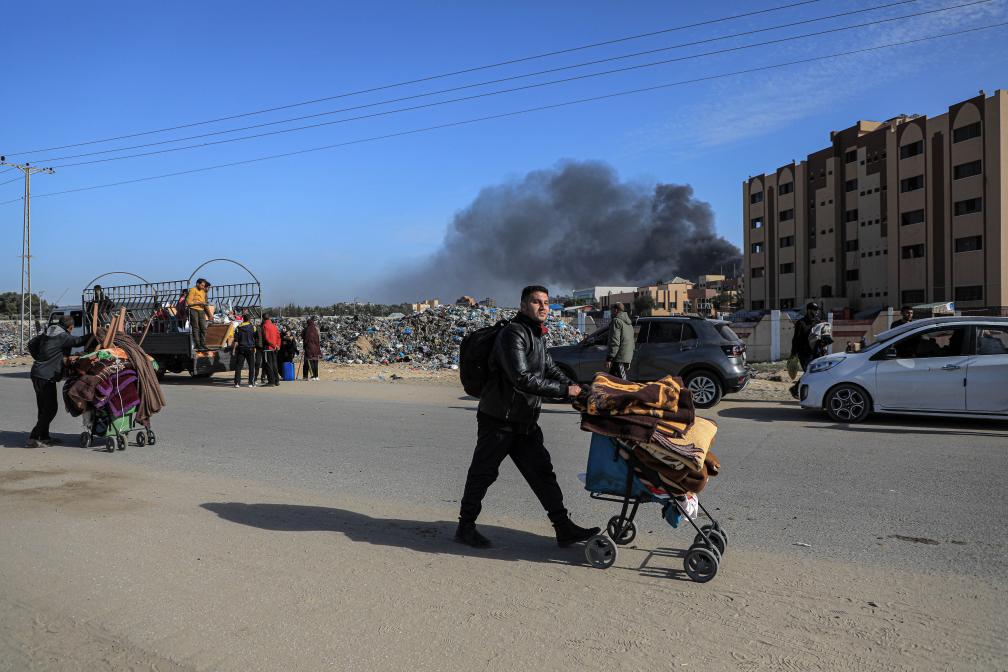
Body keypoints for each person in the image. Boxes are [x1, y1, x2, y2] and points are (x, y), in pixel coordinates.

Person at [455, 285, 601, 549]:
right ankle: (465, 527)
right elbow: (522, 378)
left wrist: (577, 389)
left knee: (543, 473)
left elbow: (550, 368)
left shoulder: (536, 334)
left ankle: (563, 528)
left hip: (523, 421)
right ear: (523, 305)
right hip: (499, 419)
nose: (543, 307)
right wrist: (565, 391)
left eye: (546, 302)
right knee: (483, 474)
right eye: (536, 302)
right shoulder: (513, 334)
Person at [26, 315, 91, 447]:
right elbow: (79, 341)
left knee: (43, 408)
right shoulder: (63, 336)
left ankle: (44, 437)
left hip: (38, 373)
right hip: (45, 376)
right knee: (51, 409)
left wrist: (40, 358)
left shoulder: (48, 332)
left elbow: (31, 343)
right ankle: (34, 436)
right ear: (70, 327)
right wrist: (95, 334)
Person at [789, 302, 826, 398]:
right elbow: (795, 339)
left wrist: (823, 347)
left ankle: (804, 391)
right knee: (809, 372)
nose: (816, 312)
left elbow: (821, 337)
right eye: (815, 310)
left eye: (817, 310)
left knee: (816, 373)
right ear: (809, 310)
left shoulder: (818, 323)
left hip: (816, 352)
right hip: (804, 353)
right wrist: (793, 354)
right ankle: (796, 389)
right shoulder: (801, 323)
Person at [605, 302, 634, 378]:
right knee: (611, 380)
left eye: (611, 310)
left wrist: (609, 358)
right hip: (626, 355)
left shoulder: (616, 321)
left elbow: (614, 341)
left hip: (619, 357)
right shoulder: (628, 323)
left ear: (616, 310)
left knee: (622, 382)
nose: (610, 312)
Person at [231, 315, 258, 388]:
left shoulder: (238, 328)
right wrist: (255, 347)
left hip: (241, 348)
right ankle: (250, 383)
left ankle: (237, 383)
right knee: (251, 366)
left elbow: (236, 341)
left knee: (238, 366)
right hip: (250, 348)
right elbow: (256, 338)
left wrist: (233, 350)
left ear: (243, 320)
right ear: (249, 320)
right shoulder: (253, 327)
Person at [186, 278, 212, 351]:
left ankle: (203, 344)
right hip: (193, 309)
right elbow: (189, 302)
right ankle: (198, 344)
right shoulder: (193, 290)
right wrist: (199, 303)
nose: (203, 287)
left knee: (203, 327)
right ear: (197, 284)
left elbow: (204, 303)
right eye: (202, 285)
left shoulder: (203, 292)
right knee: (196, 327)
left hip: (201, 310)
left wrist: (209, 314)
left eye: (204, 286)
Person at [259, 316, 281, 386]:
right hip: (274, 348)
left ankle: (271, 381)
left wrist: (274, 345)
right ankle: (276, 380)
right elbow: (278, 337)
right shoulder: (274, 326)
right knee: (274, 364)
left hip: (268, 348)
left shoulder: (265, 326)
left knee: (268, 364)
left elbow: (267, 338)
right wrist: (277, 345)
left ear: (263, 318)